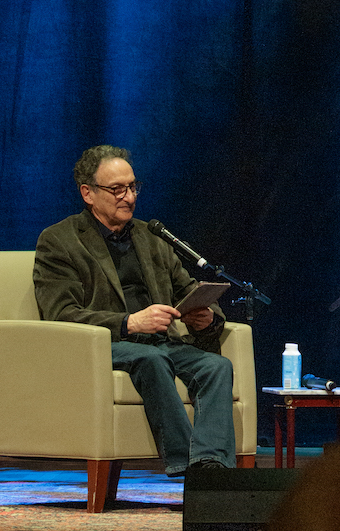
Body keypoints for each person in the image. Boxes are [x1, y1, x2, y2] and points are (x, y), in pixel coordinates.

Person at [33, 146, 235, 476]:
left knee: (216, 366)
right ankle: (190, 468)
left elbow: (187, 291)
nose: (128, 197)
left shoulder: (152, 237)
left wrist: (206, 317)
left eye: (132, 187)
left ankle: (211, 465)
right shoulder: (60, 240)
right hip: (106, 345)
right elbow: (61, 314)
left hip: (161, 342)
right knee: (150, 360)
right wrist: (129, 322)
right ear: (88, 193)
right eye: (116, 189)